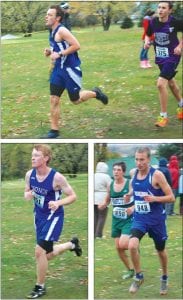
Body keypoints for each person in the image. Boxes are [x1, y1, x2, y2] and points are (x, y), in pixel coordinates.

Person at [24, 144, 82, 299]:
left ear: (46, 158)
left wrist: (58, 203)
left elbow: (73, 196)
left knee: (39, 252)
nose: (33, 157)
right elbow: (26, 191)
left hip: (53, 217)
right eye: (32, 155)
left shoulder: (56, 177)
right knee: (47, 255)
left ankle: (40, 287)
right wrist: (27, 195)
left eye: (36, 155)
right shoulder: (30, 175)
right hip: (39, 217)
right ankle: (72, 244)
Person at [44, 5, 108, 138]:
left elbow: (76, 45)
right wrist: (50, 52)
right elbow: (57, 47)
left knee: (76, 100)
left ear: (58, 18)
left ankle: (96, 93)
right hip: (58, 70)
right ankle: (54, 131)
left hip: (70, 70)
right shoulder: (52, 31)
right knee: (54, 99)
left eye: (50, 15)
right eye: (47, 14)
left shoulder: (62, 30)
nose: (46, 16)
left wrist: (60, 54)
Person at [125, 147, 175, 295]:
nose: (139, 163)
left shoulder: (157, 175)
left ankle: (165, 277)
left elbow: (171, 197)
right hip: (140, 218)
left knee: (160, 250)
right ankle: (139, 276)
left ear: (148, 160)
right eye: (136, 159)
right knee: (132, 245)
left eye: (142, 160)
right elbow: (137, 193)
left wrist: (155, 198)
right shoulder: (133, 173)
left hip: (156, 220)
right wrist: (130, 199)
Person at [144, 1, 183, 127]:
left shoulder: (175, 21)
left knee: (161, 84)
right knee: (170, 83)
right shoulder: (153, 21)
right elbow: (148, 34)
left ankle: (163, 117)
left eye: (163, 8)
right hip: (160, 56)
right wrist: (146, 42)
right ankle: (182, 105)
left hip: (173, 56)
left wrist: (180, 46)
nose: (160, 10)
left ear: (169, 10)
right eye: (159, 7)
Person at [99, 162, 135, 280]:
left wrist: (132, 208)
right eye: (114, 169)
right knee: (118, 248)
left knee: (123, 244)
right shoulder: (110, 185)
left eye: (119, 170)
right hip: (116, 221)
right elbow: (108, 200)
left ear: (123, 172)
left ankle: (134, 244)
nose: (116, 172)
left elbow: (139, 199)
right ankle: (130, 270)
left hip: (128, 220)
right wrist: (103, 204)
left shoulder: (129, 184)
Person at [94, 162, 112, 238]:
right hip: (102, 198)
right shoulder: (106, 177)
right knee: (102, 216)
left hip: (93, 197)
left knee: (95, 216)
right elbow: (110, 187)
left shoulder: (93, 176)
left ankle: (93, 233)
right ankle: (98, 234)